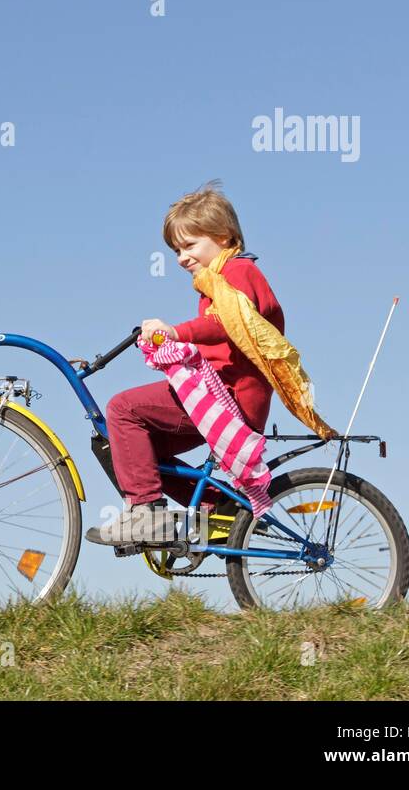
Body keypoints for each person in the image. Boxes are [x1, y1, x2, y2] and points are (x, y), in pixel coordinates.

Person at [86, 181, 282, 547]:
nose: (181, 257)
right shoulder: (219, 279)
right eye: (176, 249)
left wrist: (175, 333)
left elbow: (226, 323)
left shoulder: (239, 273)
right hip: (223, 393)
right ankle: (219, 508)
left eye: (189, 245)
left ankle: (146, 513)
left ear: (223, 237)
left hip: (227, 396)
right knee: (135, 449)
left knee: (122, 409)